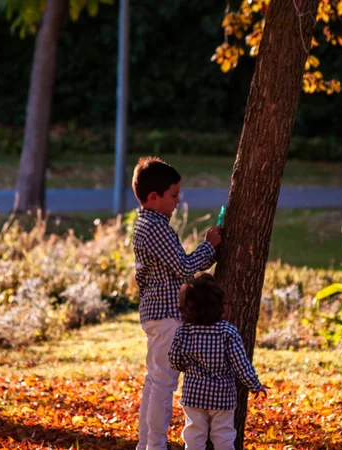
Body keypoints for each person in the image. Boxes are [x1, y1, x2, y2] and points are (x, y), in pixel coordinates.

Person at [132, 157, 222, 450]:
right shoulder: (154, 227)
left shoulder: (149, 223)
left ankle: (147, 443)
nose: (177, 201)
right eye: (173, 195)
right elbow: (183, 266)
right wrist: (210, 246)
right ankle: (154, 445)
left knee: (155, 382)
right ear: (154, 197)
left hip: (157, 313)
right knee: (163, 383)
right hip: (166, 313)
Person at [169, 274, 269, 450]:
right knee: (223, 435)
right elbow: (241, 364)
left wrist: (188, 363)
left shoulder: (184, 331)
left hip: (194, 394)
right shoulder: (227, 331)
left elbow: (175, 360)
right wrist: (255, 385)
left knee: (194, 435)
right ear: (218, 305)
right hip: (222, 396)